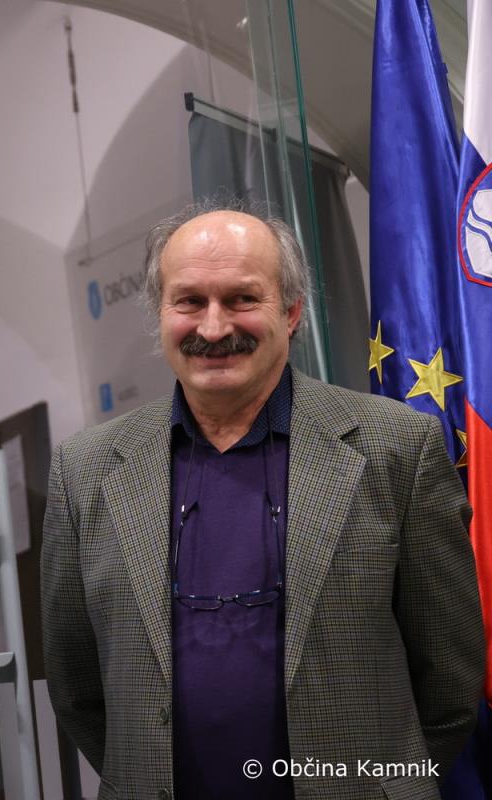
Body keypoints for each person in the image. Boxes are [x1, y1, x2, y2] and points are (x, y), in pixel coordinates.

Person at [41, 203, 485, 800]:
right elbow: (76, 689)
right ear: (160, 313)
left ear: (291, 311)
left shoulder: (396, 450)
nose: (214, 327)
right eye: (189, 301)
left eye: (242, 299)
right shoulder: (85, 471)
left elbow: (450, 679)